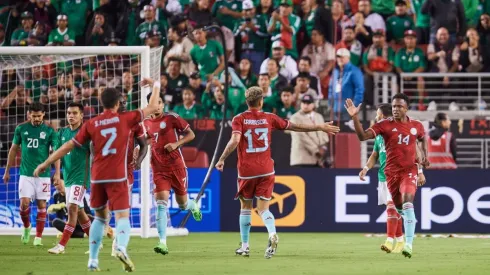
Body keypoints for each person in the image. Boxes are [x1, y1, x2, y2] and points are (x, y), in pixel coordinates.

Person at [33, 80, 161, 272]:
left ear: (102, 104)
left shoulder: (92, 123)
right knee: (122, 216)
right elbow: (152, 106)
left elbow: (67, 146)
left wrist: (45, 163)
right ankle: (121, 247)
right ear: (118, 104)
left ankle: (93, 259)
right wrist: (156, 83)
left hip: (97, 178)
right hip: (118, 176)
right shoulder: (126, 118)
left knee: (100, 219)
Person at [214, 86, 340, 258]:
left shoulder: (239, 119)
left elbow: (235, 140)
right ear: (261, 101)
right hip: (266, 169)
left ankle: (245, 246)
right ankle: (272, 233)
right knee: (264, 209)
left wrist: (221, 159)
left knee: (245, 207)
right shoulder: (270, 118)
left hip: (247, 170)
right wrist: (319, 126)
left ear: (246, 101)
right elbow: (295, 127)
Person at [345, 93, 429, 258]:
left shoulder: (417, 125)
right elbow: (362, 137)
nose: (396, 109)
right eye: (394, 106)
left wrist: (425, 158)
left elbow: (421, 139)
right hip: (390, 174)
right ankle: (402, 233)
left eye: (399, 106)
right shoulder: (384, 125)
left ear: (406, 108)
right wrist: (355, 118)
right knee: (400, 210)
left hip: (408, 171)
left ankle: (408, 244)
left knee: (407, 204)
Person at [143, 91, 202, 255]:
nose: (159, 105)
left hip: (176, 166)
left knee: (183, 204)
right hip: (158, 169)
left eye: (161, 102)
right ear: (150, 105)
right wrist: (137, 151)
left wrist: (177, 144)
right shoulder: (145, 122)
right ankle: (162, 243)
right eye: (156, 103)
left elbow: (191, 134)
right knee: (161, 204)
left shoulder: (171, 118)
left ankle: (192, 204)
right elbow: (146, 140)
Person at [359, 103, 421, 254]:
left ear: (385, 116)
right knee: (395, 210)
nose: (376, 117)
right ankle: (400, 241)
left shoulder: (399, 132)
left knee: (391, 208)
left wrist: (419, 171)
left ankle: (390, 240)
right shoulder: (380, 136)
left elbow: (416, 151)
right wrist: (366, 168)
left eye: (378, 114)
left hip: (401, 174)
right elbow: (375, 155)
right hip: (384, 176)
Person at [2, 102, 59, 246]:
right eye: (34, 116)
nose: (36, 119)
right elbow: (13, 150)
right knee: (24, 204)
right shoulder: (21, 128)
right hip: (26, 174)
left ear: (43, 114)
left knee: (41, 205)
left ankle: (38, 237)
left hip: (43, 175)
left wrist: (57, 173)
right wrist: (7, 170)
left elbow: (56, 153)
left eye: (39, 116)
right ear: (29, 114)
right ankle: (27, 227)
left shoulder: (50, 131)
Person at [47, 102, 92, 254]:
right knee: (79, 211)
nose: (71, 116)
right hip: (68, 176)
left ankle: (61, 246)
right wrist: (58, 174)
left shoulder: (87, 132)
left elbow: (95, 152)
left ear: (81, 115)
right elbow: (59, 154)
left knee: (72, 208)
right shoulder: (62, 133)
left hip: (81, 176)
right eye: (69, 113)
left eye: (74, 113)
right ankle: (95, 241)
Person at [110, 94, 149, 257]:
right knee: (104, 211)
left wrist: (139, 160)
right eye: (120, 102)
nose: (124, 104)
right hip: (107, 171)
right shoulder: (105, 120)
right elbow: (92, 144)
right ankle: (97, 245)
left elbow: (144, 144)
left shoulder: (134, 123)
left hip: (126, 171)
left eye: (125, 102)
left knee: (123, 209)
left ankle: (118, 245)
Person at [289, 95, 329, 168]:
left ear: (313, 104)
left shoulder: (319, 116)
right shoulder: (295, 118)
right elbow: (301, 137)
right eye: (303, 103)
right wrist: (316, 150)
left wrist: (323, 147)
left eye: (308, 103)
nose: (305, 105)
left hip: (318, 160)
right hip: (302, 159)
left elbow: (324, 133)